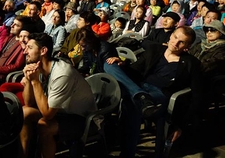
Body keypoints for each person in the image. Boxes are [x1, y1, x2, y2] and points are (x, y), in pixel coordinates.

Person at [103, 26, 203, 157]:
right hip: (141, 86)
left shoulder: (191, 63)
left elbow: (197, 94)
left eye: (181, 42)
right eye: (175, 37)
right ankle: (140, 95)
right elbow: (135, 69)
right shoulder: (155, 50)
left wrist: (180, 126)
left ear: (187, 46)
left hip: (160, 93)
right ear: (171, 35)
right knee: (108, 65)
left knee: (131, 104)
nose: (175, 43)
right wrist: (122, 64)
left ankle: (127, 153)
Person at [19, 33, 97, 158]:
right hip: (60, 112)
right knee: (24, 112)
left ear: (43, 50)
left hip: (80, 118)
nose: (24, 51)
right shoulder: (37, 67)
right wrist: (29, 80)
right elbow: (28, 102)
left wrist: (34, 81)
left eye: (30, 47)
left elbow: (48, 114)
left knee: (44, 125)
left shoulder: (62, 73)